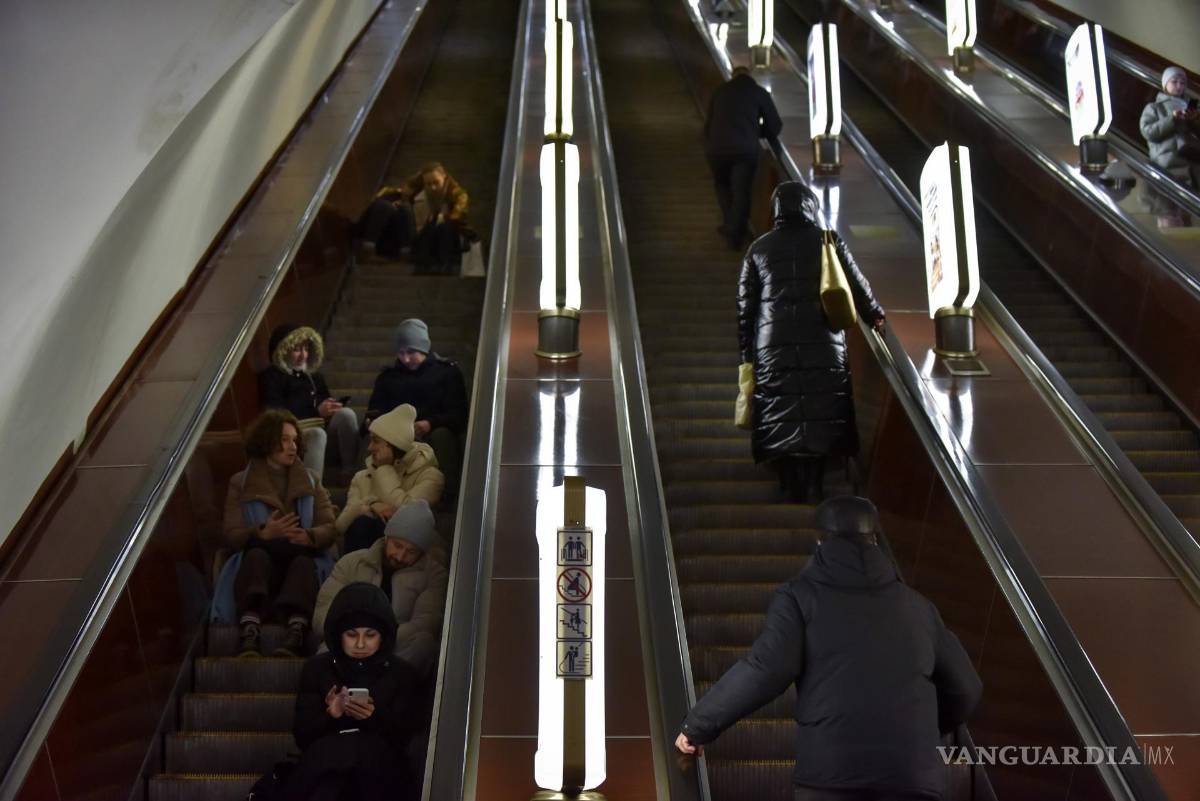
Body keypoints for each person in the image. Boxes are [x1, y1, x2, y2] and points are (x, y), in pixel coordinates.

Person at [675, 496, 982, 801]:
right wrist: (924, 731)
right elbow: (966, 687)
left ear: (820, 541)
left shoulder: (799, 597)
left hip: (833, 774)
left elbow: (767, 669)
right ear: (875, 540)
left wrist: (698, 725)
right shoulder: (918, 607)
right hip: (912, 776)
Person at [737, 181, 885, 502]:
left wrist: (746, 356)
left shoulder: (758, 250)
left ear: (776, 209)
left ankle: (788, 485)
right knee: (821, 410)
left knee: (781, 409)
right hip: (824, 342)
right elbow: (854, 282)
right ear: (810, 207)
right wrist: (874, 314)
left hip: (773, 347)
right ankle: (816, 485)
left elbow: (745, 310)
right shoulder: (827, 241)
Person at [284, 582, 421, 801]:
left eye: (370, 635)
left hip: (380, 770)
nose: (360, 644)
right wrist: (331, 715)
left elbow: (406, 737)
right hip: (325, 765)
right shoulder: (317, 669)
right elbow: (302, 735)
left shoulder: (401, 673)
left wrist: (374, 717)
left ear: (383, 636)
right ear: (339, 635)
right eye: (351, 634)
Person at [221, 410, 337, 657]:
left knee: (303, 563)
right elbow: (231, 533)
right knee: (256, 557)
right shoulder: (240, 483)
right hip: (261, 565)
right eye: (284, 440)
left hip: (299, 561)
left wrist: (310, 536)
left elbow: (329, 526)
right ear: (266, 441)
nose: (292, 446)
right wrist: (262, 533)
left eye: (295, 440)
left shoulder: (311, 480)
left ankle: (296, 632)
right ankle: (249, 630)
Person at [316, 500, 449, 678]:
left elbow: (426, 622)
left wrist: (378, 639)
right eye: (398, 545)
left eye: (411, 551)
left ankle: (388, 690)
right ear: (387, 537)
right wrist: (356, 636)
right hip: (349, 645)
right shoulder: (351, 563)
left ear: (422, 552)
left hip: (396, 650)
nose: (400, 556)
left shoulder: (434, 574)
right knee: (325, 650)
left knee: (423, 643)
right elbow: (323, 615)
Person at [366, 319, 468, 502]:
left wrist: (430, 423)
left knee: (443, 436)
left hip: (433, 431)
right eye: (401, 353)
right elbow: (375, 410)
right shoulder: (388, 378)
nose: (405, 359)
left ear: (423, 349)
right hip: (394, 437)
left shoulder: (447, 373)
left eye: (411, 352)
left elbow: (459, 414)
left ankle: (448, 497)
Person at [335, 403, 445, 553]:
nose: (369, 448)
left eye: (376, 441)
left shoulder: (431, 477)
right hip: (362, 553)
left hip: (406, 555)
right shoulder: (362, 477)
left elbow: (405, 516)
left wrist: (384, 469)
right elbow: (341, 525)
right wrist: (372, 505)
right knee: (362, 523)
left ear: (394, 445)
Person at [257, 323, 359, 479]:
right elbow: (276, 414)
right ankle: (311, 489)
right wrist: (315, 411)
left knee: (347, 414)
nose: (303, 355)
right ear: (283, 350)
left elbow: (322, 401)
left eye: (305, 349)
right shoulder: (271, 377)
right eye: (297, 350)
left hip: (322, 432)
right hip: (293, 438)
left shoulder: (314, 376)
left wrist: (332, 407)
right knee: (317, 434)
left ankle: (349, 472)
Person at [704, 66, 783, 250]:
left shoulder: (720, 91)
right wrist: (756, 131)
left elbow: (709, 124)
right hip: (744, 150)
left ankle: (730, 225)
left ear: (733, 76)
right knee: (741, 190)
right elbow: (775, 126)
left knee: (722, 185)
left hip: (717, 149)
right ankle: (735, 233)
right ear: (749, 76)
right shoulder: (759, 92)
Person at [354, 162, 473, 273]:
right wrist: (398, 201)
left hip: (433, 240)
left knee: (409, 213)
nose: (433, 187)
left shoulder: (457, 196)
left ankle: (408, 255)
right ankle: (368, 250)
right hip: (409, 237)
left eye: (436, 182)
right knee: (385, 205)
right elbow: (393, 195)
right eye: (428, 184)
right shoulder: (416, 195)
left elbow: (458, 215)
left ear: (445, 178)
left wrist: (443, 218)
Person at [1140, 66, 1200, 188]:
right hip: (1168, 162)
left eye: (1182, 83)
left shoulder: (1190, 106)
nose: (1179, 86)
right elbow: (1148, 132)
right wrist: (1172, 119)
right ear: (1165, 84)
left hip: (1193, 162)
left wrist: (1195, 120)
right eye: (1174, 81)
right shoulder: (1155, 107)